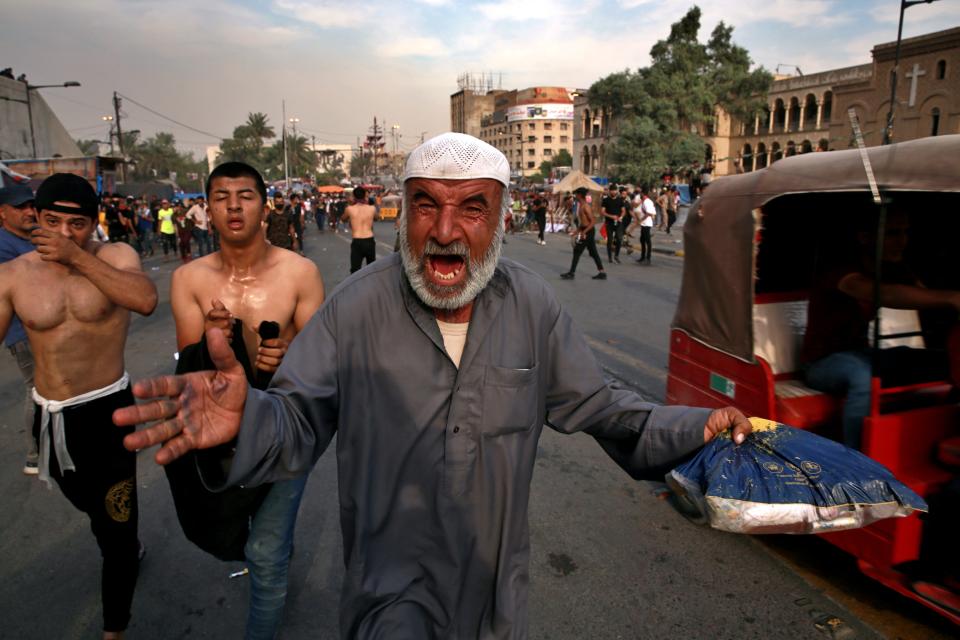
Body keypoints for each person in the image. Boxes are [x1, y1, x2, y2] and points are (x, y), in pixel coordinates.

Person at [116, 134, 751, 639]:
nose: (446, 231)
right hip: (389, 590)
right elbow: (298, 419)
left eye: (472, 207)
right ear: (403, 213)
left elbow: (604, 406)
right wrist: (245, 418)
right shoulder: (355, 308)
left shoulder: (531, 305)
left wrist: (693, 427)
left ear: (501, 219)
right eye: (427, 205)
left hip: (493, 593)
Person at [169, 162, 325, 639]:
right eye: (221, 196)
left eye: (245, 195)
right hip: (224, 434)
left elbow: (323, 364)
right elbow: (192, 370)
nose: (233, 206)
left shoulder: (300, 273)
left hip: (284, 428)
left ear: (264, 205)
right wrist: (213, 341)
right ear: (207, 210)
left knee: (266, 553)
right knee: (234, 532)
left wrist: (290, 356)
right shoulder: (189, 279)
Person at [0, 173, 158, 639]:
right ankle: (115, 533)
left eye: (78, 224)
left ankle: (115, 628)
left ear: (93, 224)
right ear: (36, 219)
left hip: (107, 412)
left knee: (117, 533)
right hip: (50, 417)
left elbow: (145, 299)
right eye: (53, 221)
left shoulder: (114, 256)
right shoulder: (13, 274)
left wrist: (76, 259)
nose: (65, 234)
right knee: (87, 505)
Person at [801, 209, 960, 449]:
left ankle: (930, 441)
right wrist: (950, 298)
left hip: (864, 353)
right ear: (865, 237)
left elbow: (924, 294)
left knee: (944, 361)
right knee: (862, 376)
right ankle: (855, 459)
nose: (902, 241)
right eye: (893, 233)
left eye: (906, 232)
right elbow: (880, 292)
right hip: (823, 363)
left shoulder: (892, 267)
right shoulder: (841, 268)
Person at [0, 179, 39, 474]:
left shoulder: (33, 239)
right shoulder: (3, 246)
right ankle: (34, 453)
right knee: (36, 389)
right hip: (22, 332)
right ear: (3, 213)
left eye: (31, 205)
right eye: (21, 207)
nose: (29, 211)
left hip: (43, 328)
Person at [561, 187, 606, 280]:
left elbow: (593, 221)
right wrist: (577, 231)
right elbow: (583, 223)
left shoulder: (586, 206)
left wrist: (584, 232)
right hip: (585, 229)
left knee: (577, 250)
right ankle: (602, 272)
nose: (575, 196)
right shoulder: (580, 206)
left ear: (580, 195)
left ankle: (571, 273)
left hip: (589, 231)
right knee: (593, 252)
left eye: (576, 194)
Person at [341, 186, 376, 273]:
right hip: (369, 240)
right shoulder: (372, 208)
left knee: (355, 269)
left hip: (357, 241)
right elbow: (377, 218)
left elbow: (343, 219)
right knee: (372, 268)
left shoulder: (349, 209)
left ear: (354, 196)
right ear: (365, 196)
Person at [601, 183, 624, 264]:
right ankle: (610, 257)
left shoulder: (620, 200)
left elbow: (623, 210)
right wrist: (611, 216)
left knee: (619, 239)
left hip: (618, 222)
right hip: (609, 223)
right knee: (610, 240)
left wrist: (621, 216)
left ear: (617, 191)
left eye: (615, 190)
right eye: (612, 190)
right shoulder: (605, 200)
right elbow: (603, 212)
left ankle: (616, 256)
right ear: (609, 191)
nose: (614, 192)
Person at [635, 187, 655, 265]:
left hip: (647, 224)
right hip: (644, 224)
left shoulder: (647, 202)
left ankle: (648, 258)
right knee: (642, 240)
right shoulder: (645, 201)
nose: (640, 194)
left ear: (643, 193)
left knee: (647, 241)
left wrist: (641, 220)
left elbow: (649, 213)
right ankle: (643, 257)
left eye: (640, 193)